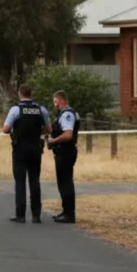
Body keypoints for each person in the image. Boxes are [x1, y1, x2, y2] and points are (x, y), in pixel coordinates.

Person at [3, 84, 51, 223]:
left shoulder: (16, 110)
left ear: (20, 94)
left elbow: (6, 129)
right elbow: (49, 129)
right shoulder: (41, 109)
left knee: (20, 182)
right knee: (34, 181)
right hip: (35, 149)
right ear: (32, 94)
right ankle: (36, 215)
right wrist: (37, 132)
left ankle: (21, 214)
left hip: (20, 149)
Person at [46, 90, 79, 223]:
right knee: (63, 182)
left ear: (61, 100)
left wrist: (53, 141)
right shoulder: (66, 114)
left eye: (55, 101)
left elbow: (68, 134)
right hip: (63, 152)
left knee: (65, 183)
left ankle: (69, 214)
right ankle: (66, 211)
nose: (54, 104)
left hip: (65, 152)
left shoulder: (67, 115)